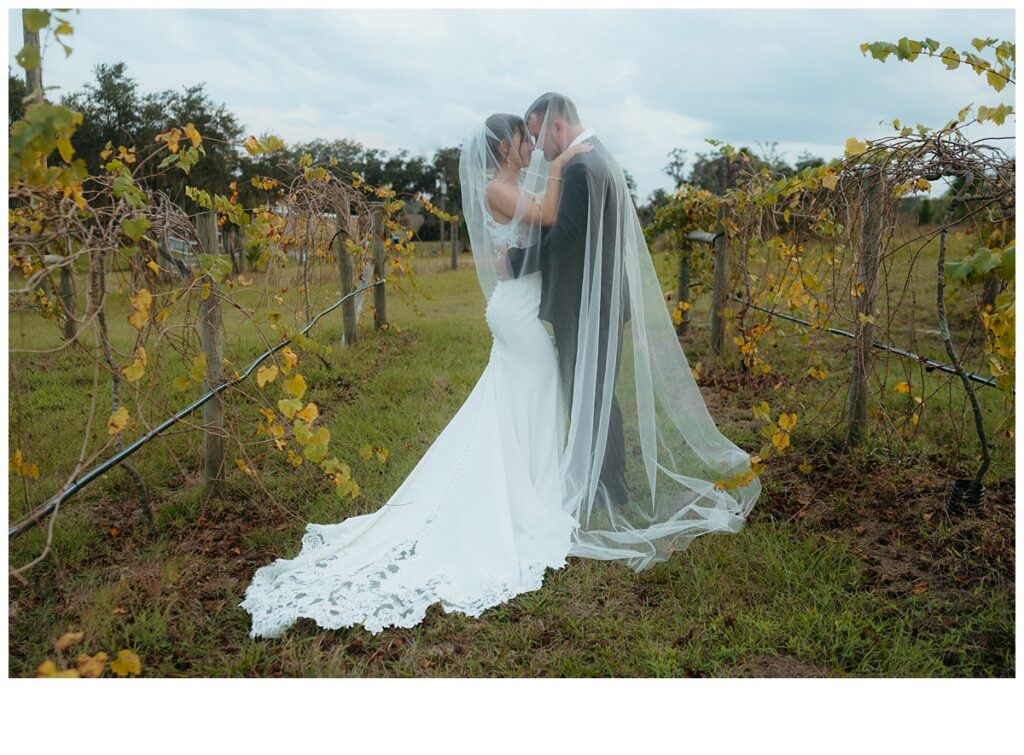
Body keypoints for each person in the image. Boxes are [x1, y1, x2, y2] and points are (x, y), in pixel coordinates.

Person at [239, 113, 586, 638]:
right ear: (503, 145)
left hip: (520, 304)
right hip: (515, 312)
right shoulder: (498, 188)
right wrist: (562, 160)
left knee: (520, 396)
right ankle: (526, 498)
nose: (530, 144)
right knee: (534, 387)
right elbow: (547, 215)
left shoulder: (514, 182)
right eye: (523, 137)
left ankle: (533, 487)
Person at [498, 93, 761, 570]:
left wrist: (513, 262)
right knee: (596, 392)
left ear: (557, 126)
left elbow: (564, 242)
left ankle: (605, 488)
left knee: (589, 392)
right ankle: (606, 483)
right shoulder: (600, 157)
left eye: (538, 136)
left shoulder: (579, 168)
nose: (537, 148)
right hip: (596, 298)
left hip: (584, 302)